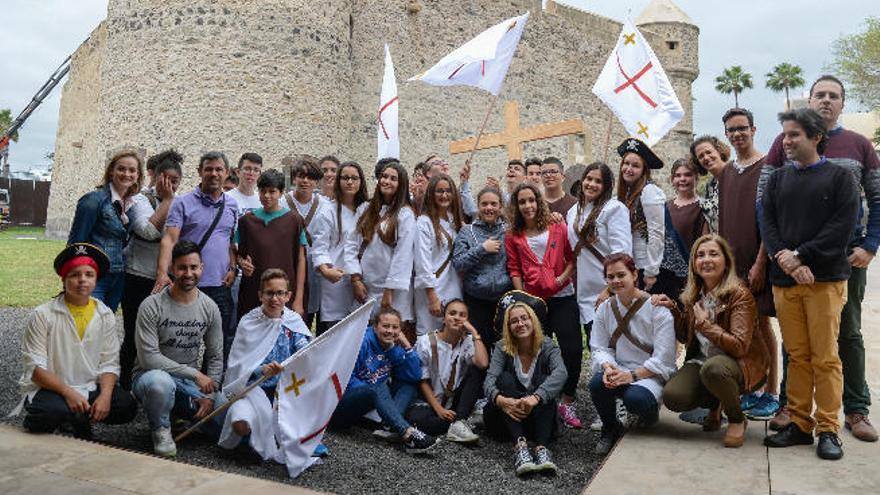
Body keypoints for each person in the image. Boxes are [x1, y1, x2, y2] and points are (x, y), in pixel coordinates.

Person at [761, 76, 880, 443]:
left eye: (794, 135)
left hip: (827, 276)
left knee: (829, 354)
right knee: (797, 355)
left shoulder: (842, 174)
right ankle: (799, 423)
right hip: (785, 280)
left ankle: (830, 427)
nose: (786, 141)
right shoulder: (779, 177)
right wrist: (785, 258)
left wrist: (799, 256)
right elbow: (766, 217)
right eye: (785, 136)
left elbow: (841, 227)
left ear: (815, 137)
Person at [656, 235, 772, 449]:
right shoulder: (694, 295)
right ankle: (715, 402)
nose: (706, 259)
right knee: (673, 397)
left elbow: (739, 346)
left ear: (726, 261)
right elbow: (684, 337)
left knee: (714, 369)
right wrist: (673, 309)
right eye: (700, 255)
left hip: (740, 364)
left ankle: (737, 419)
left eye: (713, 254)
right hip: (703, 362)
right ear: (694, 263)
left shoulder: (739, 295)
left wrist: (705, 326)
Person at [18, 243, 137, 438]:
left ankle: (77, 417)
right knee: (49, 412)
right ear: (63, 279)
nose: (82, 280)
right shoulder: (43, 314)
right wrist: (68, 392)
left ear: (96, 279)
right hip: (52, 388)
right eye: (74, 275)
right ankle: (66, 417)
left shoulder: (104, 314)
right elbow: (35, 369)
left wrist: (105, 396)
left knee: (126, 406)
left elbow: (109, 362)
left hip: (88, 385)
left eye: (89, 274)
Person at [134, 240, 225, 457]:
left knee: (225, 421)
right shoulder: (151, 305)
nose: (188, 273)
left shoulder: (209, 307)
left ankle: (182, 412)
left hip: (188, 384)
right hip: (150, 377)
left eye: (193, 267)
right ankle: (161, 428)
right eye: (182, 267)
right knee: (160, 383)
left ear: (201, 268)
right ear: (172, 269)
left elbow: (215, 356)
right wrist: (195, 374)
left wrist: (210, 397)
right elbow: (149, 359)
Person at [718, 108, 780, 421]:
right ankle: (751, 388)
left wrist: (761, 262)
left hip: (759, 263)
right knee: (743, 328)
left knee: (763, 324)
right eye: (731, 129)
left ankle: (771, 391)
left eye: (742, 128)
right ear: (726, 134)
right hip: (733, 266)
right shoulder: (727, 171)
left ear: (753, 129)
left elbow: (772, 219)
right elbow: (724, 220)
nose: (738, 134)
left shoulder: (769, 166)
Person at [505, 182, 581, 428]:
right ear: (516, 206)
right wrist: (521, 296)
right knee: (536, 351)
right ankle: (540, 400)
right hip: (534, 301)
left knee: (571, 347)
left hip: (563, 295)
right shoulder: (513, 235)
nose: (528, 206)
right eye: (522, 202)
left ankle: (567, 400)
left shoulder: (557, 225)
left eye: (531, 200)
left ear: (539, 201)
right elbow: (514, 268)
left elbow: (571, 257)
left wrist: (560, 279)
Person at [219, 269, 316, 462]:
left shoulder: (293, 322)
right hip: (252, 390)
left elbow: (305, 352)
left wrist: (303, 355)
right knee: (240, 422)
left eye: (280, 293)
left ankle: (268, 442)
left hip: (285, 392)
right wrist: (261, 370)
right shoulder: (249, 322)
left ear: (288, 296)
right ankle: (250, 441)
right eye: (269, 293)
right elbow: (237, 366)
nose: (275, 298)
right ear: (260, 295)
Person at [154, 151, 238, 362]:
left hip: (219, 285)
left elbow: (229, 240)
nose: (214, 173)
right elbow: (169, 239)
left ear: (226, 173)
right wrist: (163, 273)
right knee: (178, 340)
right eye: (208, 169)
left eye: (219, 169)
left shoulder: (232, 205)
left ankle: (210, 389)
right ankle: (178, 386)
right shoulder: (182, 203)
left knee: (219, 344)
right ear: (200, 172)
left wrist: (232, 268)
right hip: (188, 283)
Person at [590, 252, 675, 455]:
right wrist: (608, 367)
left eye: (621, 275)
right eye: (611, 277)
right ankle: (610, 427)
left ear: (634, 274)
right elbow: (600, 347)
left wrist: (632, 376)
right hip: (619, 368)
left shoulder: (657, 309)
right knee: (597, 384)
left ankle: (650, 411)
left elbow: (664, 358)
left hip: (649, 374)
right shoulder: (605, 309)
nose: (616, 281)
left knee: (635, 399)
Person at [330, 306, 438, 454]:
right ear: (375, 326)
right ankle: (407, 433)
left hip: (371, 399)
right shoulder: (362, 342)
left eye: (395, 327)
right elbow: (345, 380)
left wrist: (407, 346)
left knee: (409, 386)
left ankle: (388, 424)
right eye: (385, 326)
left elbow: (414, 376)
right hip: (341, 407)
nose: (390, 331)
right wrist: (375, 394)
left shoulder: (393, 347)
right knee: (378, 387)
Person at [119, 150, 182, 389]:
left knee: (161, 337)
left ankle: (154, 384)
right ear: (155, 177)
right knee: (134, 334)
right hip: (137, 276)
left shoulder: (181, 201)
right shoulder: (140, 199)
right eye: (165, 179)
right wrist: (167, 201)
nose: (169, 185)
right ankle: (124, 384)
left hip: (165, 279)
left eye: (174, 181)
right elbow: (146, 231)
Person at [483, 298, 567, 476]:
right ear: (508, 326)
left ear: (533, 321)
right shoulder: (501, 347)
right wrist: (501, 400)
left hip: (539, 418)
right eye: (514, 321)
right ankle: (520, 448)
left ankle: (542, 449)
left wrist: (535, 397)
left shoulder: (547, 345)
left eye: (524, 318)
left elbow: (561, 373)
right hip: (508, 420)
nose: (520, 324)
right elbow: (489, 380)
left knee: (546, 380)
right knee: (504, 379)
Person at [68, 148, 145, 311]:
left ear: (138, 175)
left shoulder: (130, 204)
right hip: (95, 276)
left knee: (105, 325)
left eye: (132, 170)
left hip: (118, 277)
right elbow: (76, 242)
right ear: (111, 172)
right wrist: (77, 277)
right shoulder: (93, 200)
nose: (127, 174)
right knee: (88, 325)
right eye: (121, 168)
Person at [344, 161, 416, 327]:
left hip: (392, 292)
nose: (387, 181)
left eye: (393, 178)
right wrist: (355, 279)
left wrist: (389, 290)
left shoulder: (405, 215)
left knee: (389, 334)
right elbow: (350, 245)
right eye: (384, 176)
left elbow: (403, 255)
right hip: (365, 285)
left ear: (401, 184)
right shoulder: (365, 209)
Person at [406, 299, 489, 442]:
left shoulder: (468, 341)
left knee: (476, 370)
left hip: (455, 401)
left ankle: (459, 421)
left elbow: (483, 364)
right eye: (452, 313)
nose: (457, 317)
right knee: (417, 420)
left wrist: (474, 332)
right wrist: (439, 409)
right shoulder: (425, 342)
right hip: (430, 401)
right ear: (444, 319)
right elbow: (422, 381)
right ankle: (458, 423)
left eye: (462, 315)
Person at [568, 162, 632, 339]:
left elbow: (622, 254)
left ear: (606, 186)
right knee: (594, 345)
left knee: (613, 348)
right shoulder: (573, 212)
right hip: (584, 292)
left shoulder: (614, 208)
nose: (592, 184)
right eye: (589, 179)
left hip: (610, 290)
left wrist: (609, 290)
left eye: (599, 181)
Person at [236, 169, 307, 320]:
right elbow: (237, 254)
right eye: (263, 191)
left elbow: (301, 259)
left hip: (284, 294)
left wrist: (299, 298)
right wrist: (242, 263)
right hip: (253, 292)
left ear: (281, 192)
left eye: (272, 191)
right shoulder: (246, 221)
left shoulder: (294, 221)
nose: (267, 196)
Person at [312, 161, 369, 335]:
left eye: (354, 178)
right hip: (337, 280)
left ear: (361, 181)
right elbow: (319, 247)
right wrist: (325, 270)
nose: (350, 182)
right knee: (337, 334)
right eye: (345, 178)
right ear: (338, 181)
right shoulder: (327, 211)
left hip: (365, 278)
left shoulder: (368, 210)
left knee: (361, 332)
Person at [452, 186, 513, 344]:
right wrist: (482, 249)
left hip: (503, 299)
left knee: (504, 347)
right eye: (484, 204)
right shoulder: (467, 232)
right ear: (478, 206)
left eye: (493, 204)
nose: (489, 208)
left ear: (500, 206)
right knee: (479, 346)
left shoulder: (508, 231)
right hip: (476, 300)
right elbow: (458, 264)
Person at [414, 174, 465, 335]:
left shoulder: (454, 220)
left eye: (448, 191)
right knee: (430, 339)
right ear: (431, 194)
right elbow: (422, 262)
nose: (444, 195)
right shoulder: (424, 222)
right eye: (439, 191)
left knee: (453, 335)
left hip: (454, 286)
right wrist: (432, 296)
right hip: (432, 289)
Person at [283, 157, 330, 329]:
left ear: (316, 181)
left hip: (318, 270)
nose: (305, 181)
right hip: (292, 269)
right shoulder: (282, 204)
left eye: (310, 177)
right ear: (294, 178)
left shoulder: (325, 206)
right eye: (301, 176)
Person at [656, 158, 709, 302]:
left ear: (695, 177)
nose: (682, 179)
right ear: (672, 179)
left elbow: (705, 243)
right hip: (665, 275)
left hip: (691, 274)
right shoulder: (665, 206)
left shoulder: (703, 207)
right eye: (678, 176)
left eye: (687, 175)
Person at [616, 138, 666, 292]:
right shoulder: (626, 194)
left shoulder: (649, 191)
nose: (629, 169)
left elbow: (656, 232)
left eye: (635, 165)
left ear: (644, 170)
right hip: (633, 266)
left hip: (647, 266)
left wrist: (651, 272)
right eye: (626, 164)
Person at [689, 135, 731, 233]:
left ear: (719, 151)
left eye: (709, 152)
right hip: (718, 245)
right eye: (701, 156)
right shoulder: (708, 187)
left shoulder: (737, 174)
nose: (706, 158)